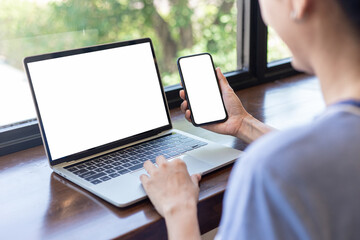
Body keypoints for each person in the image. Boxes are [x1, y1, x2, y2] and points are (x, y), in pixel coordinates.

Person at [139, 0, 360, 239]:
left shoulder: (270, 170)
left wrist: (178, 209)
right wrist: (243, 122)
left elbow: (298, 165)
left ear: (299, 3)